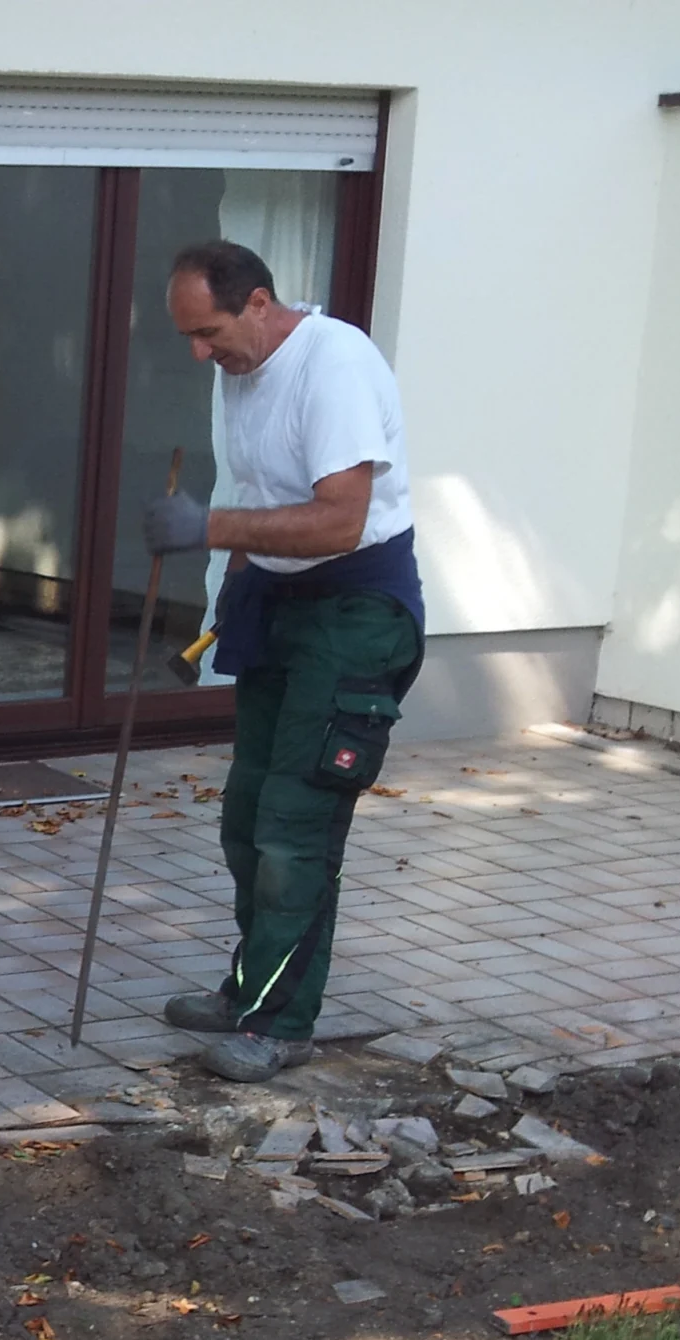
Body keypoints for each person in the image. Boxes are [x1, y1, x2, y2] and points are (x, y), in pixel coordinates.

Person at [143, 239, 424, 1083]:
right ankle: (248, 990)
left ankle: (282, 1022)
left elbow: (339, 520)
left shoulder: (333, 365)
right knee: (247, 818)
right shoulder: (240, 370)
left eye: (211, 330)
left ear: (259, 303)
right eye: (189, 336)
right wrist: (230, 590)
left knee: (296, 829)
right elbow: (261, 496)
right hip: (281, 602)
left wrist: (213, 529)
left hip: (357, 614)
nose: (201, 352)